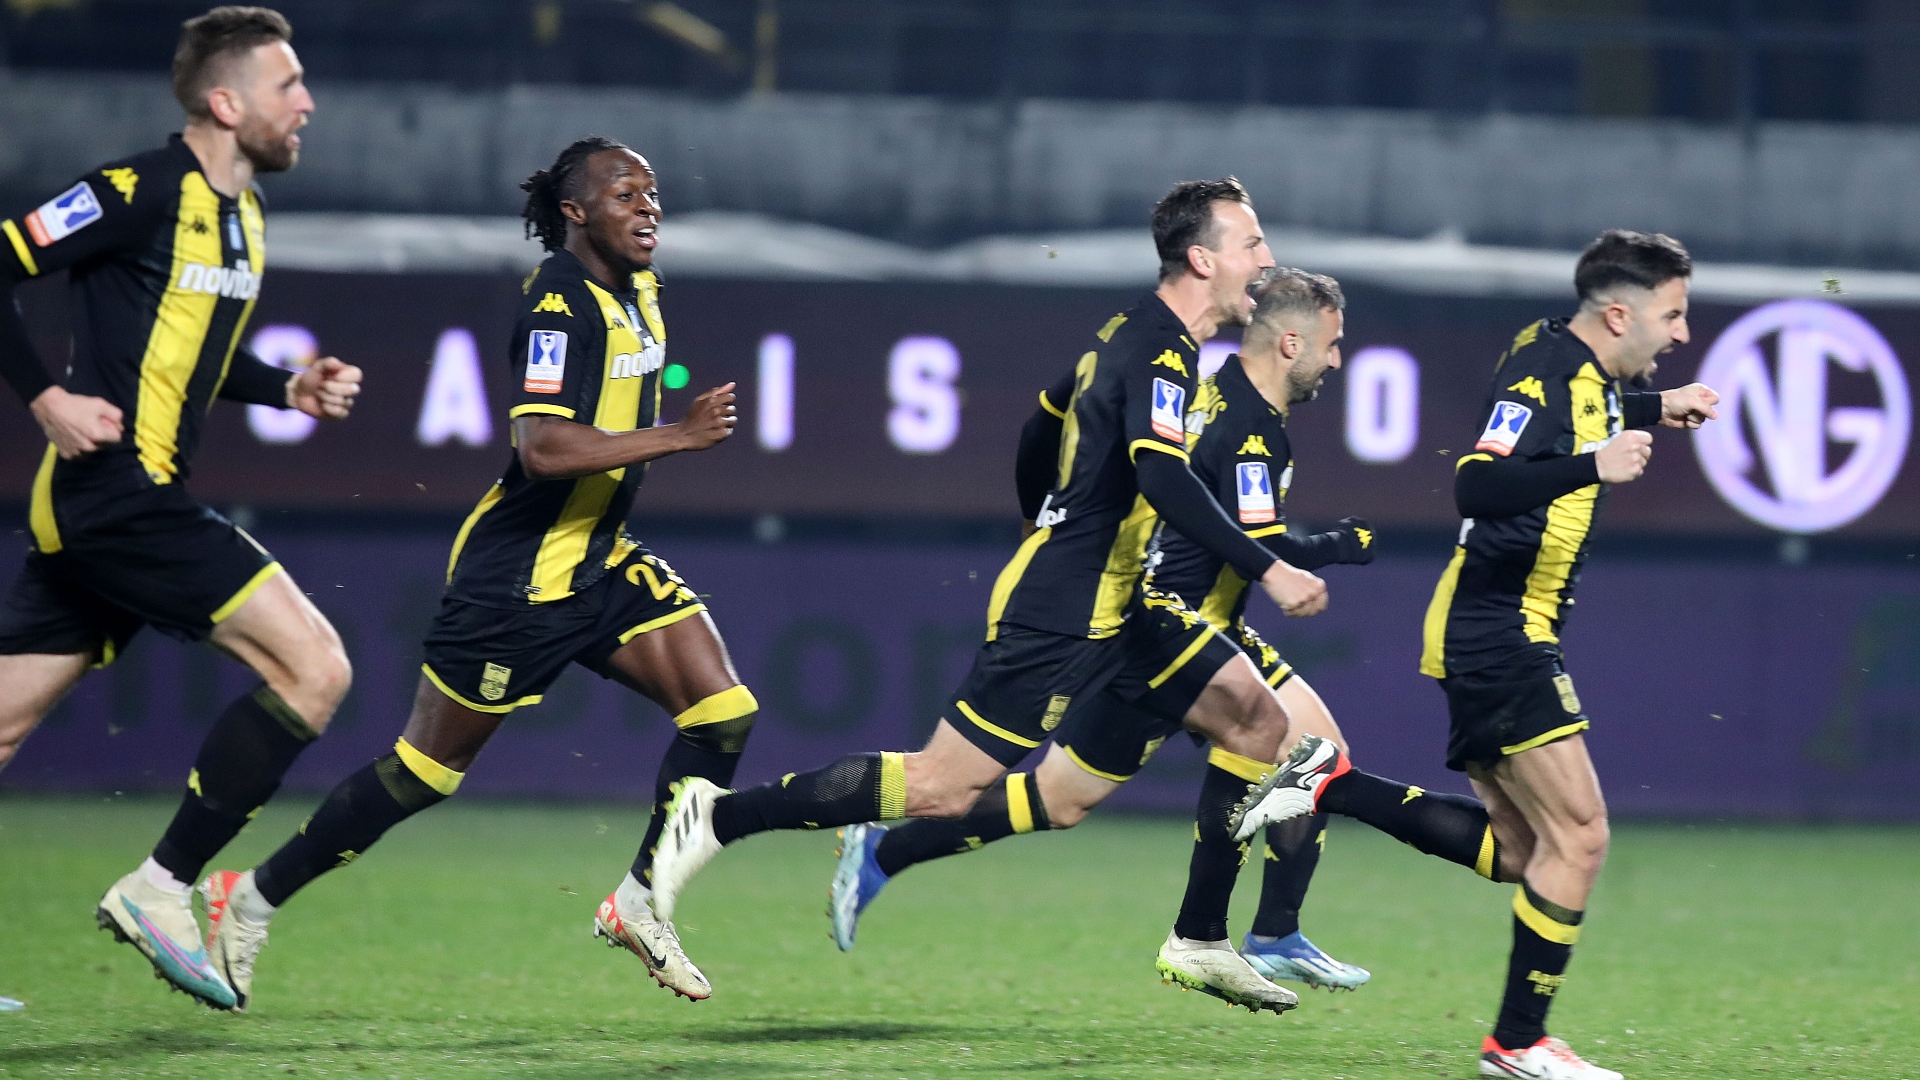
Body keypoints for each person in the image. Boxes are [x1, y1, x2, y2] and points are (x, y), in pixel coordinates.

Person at [646, 179, 1350, 1010]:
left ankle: (1199, 938)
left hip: (1128, 601)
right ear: (1202, 259)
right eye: (1252, 243)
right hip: (1067, 606)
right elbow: (1161, 474)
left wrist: (1036, 517)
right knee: (941, 786)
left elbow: (1039, 422)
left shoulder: (1135, 337)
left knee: (1256, 718)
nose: (1266, 260)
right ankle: (717, 819)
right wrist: (1269, 567)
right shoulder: (1157, 350)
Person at [830, 269, 1519, 998]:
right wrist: (1342, 545)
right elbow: (1263, 546)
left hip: (1190, 622)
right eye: (1332, 344)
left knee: (1078, 796)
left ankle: (1272, 933)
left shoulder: (1216, 393)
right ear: (1291, 343)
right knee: (1289, 763)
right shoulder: (1250, 427)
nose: (1338, 360)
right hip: (1175, 632)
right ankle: (1241, 934)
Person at [196, 137, 751, 1010]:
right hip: (517, 582)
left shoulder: (640, 287)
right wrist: (678, 436)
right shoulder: (557, 308)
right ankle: (251, 896)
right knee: (423, 773)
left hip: (600, 558)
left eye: (653, 193)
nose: (648, 207)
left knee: (722, 714)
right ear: (575, 212)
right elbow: (543, 450)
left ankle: (643, 901)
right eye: (625, 194)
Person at [0, 7, 361, 1011]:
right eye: (288, 85)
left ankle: (160, 888)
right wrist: (45, 396)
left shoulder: (245, 215)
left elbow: (192, 346)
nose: (307, 103)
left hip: (119, 505)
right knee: (316, 668)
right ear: (226, 102)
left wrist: (286, 387)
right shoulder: (138, 190)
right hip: (116, 494)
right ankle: (161, 888)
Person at [1416, 230, 1715, 1080]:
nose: (1682, 332)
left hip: (1495, 627)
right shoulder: (1544, 373)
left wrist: (1656, 407)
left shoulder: (1569, 362)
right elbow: (1477, 483)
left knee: (1523, 850)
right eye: (1673, 315)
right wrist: (1593, 465)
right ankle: (1517, 1044)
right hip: (1498, 627)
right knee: (1580, 837)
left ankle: (1328, 786)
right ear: (1619, 315)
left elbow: (1579, 415)